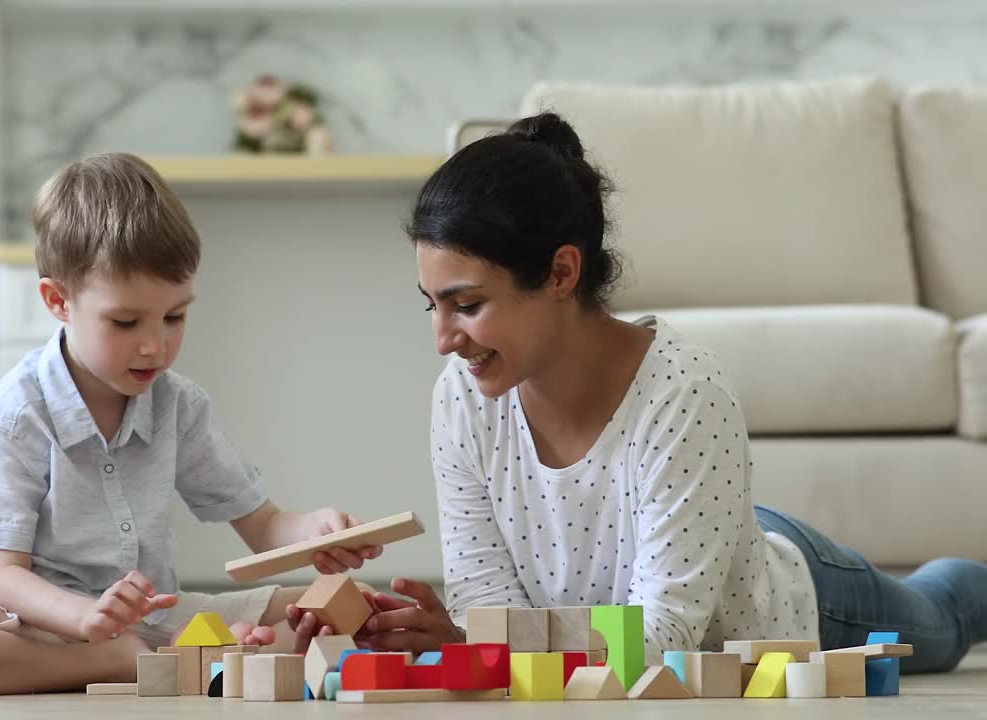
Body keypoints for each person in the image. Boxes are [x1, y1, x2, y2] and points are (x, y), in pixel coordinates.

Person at [296, 112, 987, 673]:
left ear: (562, 271)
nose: (443, 338)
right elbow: (488, 610)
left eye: (467, 305)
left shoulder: (684, 391)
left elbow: (664, 644)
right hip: (686, 541)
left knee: (945, 616)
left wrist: (486, 646)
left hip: (778, 600)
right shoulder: (463, 396)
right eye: (431, 305)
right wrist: (464, 641)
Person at [0, 153, 380, 696]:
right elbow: (2, 576)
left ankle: (165, 657)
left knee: (364, 610)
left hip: (144, 621)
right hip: (24, 623)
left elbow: (262, 527)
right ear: (58, 301)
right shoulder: (16, 416)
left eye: (175, 316)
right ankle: (125, 662)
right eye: (125, 322)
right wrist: (84, 621)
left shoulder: (179, 404)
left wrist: (312, 532)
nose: (156, 345)